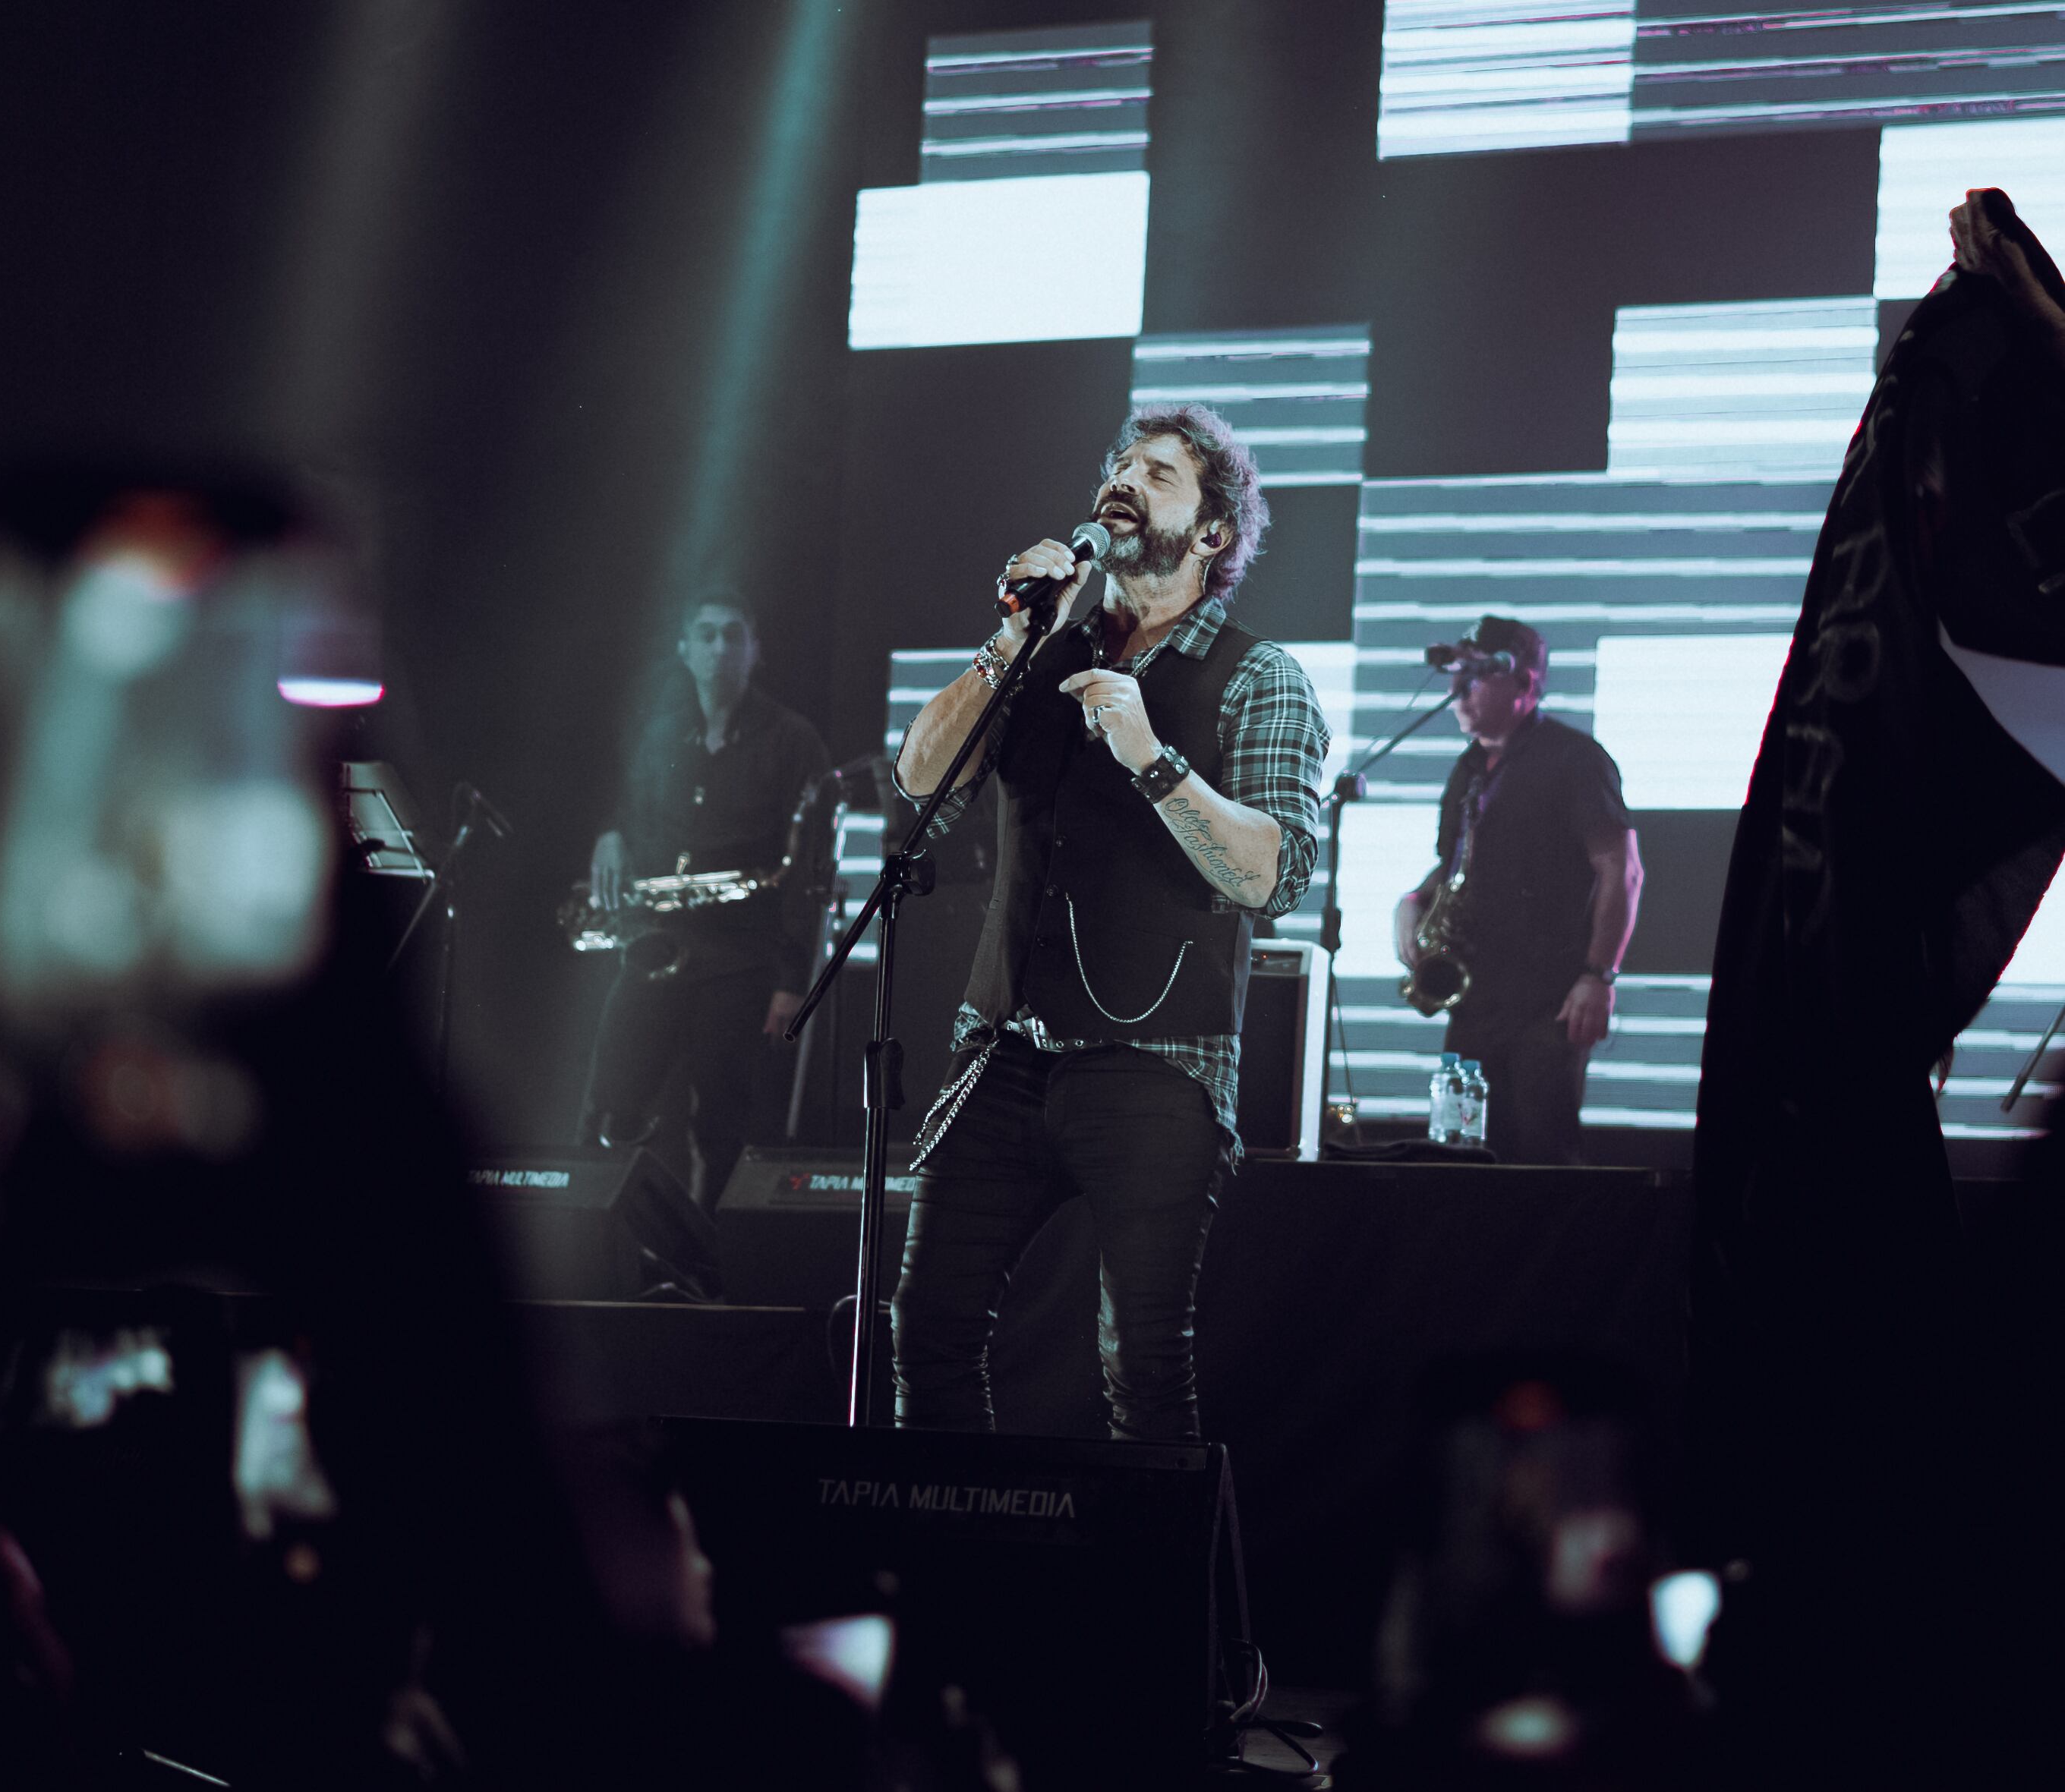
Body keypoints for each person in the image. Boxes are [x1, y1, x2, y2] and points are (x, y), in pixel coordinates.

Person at [888, 405, 1328, 1441]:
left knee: (1140, 1367)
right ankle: (952, 1582)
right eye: (1120, 464)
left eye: (1160, 473)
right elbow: (920, 783)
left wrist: (1153, 759)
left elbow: (1276, 875)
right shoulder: (1043, 649)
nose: (1125, 479)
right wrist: (1010, 633)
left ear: (1211, 533)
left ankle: (1143, 1599)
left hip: (1156, 1065)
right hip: (1002, 1049)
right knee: (928, 1332)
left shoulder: (1260, 677)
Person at [582, 594, 830, 1212]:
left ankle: (709, 1273)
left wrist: (791, 980)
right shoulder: (662, 735)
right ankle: (617, 1247)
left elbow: (810, 873)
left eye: (733, 635)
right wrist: (610, 834)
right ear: (684, 649)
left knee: (722, 1126)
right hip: (659, 945)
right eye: (707, 634)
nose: (720, 648)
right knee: (612, 1097)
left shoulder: (793, 740)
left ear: (756, 650)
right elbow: (627, 808)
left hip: (743, 960)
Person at [1395, 615, 1640, 1164]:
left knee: (1541, 1161)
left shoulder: (1576, 759)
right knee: (1465, 1159)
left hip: (1546, 1003)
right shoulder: (1468, 768)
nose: (1458, 688)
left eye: (1476, 674)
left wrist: (1598, 975)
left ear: (1525, 683)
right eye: (1456, 673)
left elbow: (1623, 869)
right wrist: (1412, 902)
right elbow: (1454, 866)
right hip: (1475, 998)